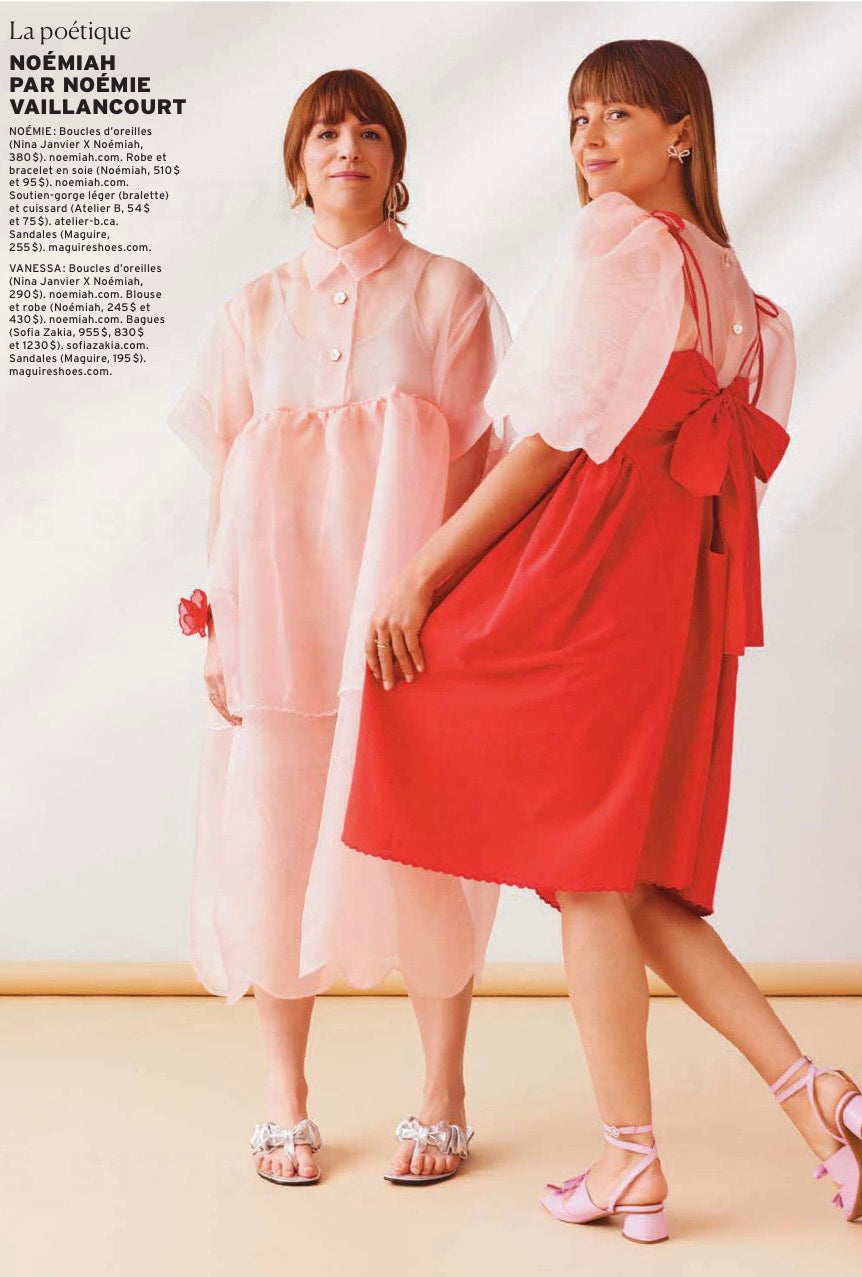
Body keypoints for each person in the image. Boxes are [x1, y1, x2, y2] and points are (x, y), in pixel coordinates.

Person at [341, 39, 862, 1239]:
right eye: (578, 116)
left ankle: (628, 1162)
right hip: (675, 595)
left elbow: (550, 437)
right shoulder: (730, 283)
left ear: (680, 132)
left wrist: (423, 569)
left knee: (567, 848)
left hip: (591, 576)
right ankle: (817, 1099)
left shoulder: (619, 246)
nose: (590, 138)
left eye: (620, 116)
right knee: (625, 879)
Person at [169, 68, 507, 1186]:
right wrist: (217, 627)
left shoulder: (446, 294)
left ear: (395, 160)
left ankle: (441, 1090)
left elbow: (479, 471)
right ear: (295, 162)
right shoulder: (251, 311)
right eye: (324, 132)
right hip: (275, 621)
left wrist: (446, 607)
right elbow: (227, 478)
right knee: (273, 839)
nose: (346, 147)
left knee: (421, 850)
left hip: (407, 626)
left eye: (368, 131)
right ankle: (285, 1096)